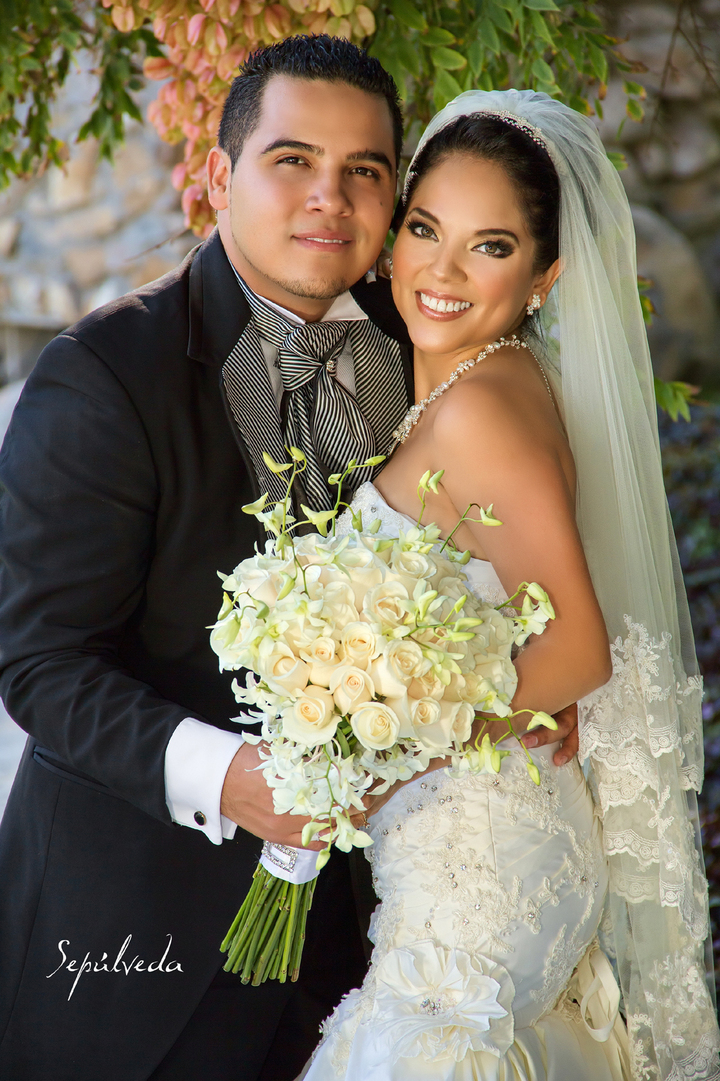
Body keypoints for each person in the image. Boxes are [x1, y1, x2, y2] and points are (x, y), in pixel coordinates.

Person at [0, 39, 578, 1081]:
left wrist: (514, 683)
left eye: (365, 171)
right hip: (134, 948)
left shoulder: (428, 349)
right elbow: (41, 666)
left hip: (368, 942)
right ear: (219, 177)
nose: (331, 198)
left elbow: (499, 558)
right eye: (292, 160)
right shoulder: (103, 375)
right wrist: (237, 777)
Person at [303, 90, 720, 1081]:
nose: (441, 271)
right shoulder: (483, 377)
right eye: (425, 229)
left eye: (489, 246)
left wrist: (414, 740)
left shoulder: (481, 408)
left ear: (546, 273)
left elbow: (578, 647)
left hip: (485, 870)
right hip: (477, 844)